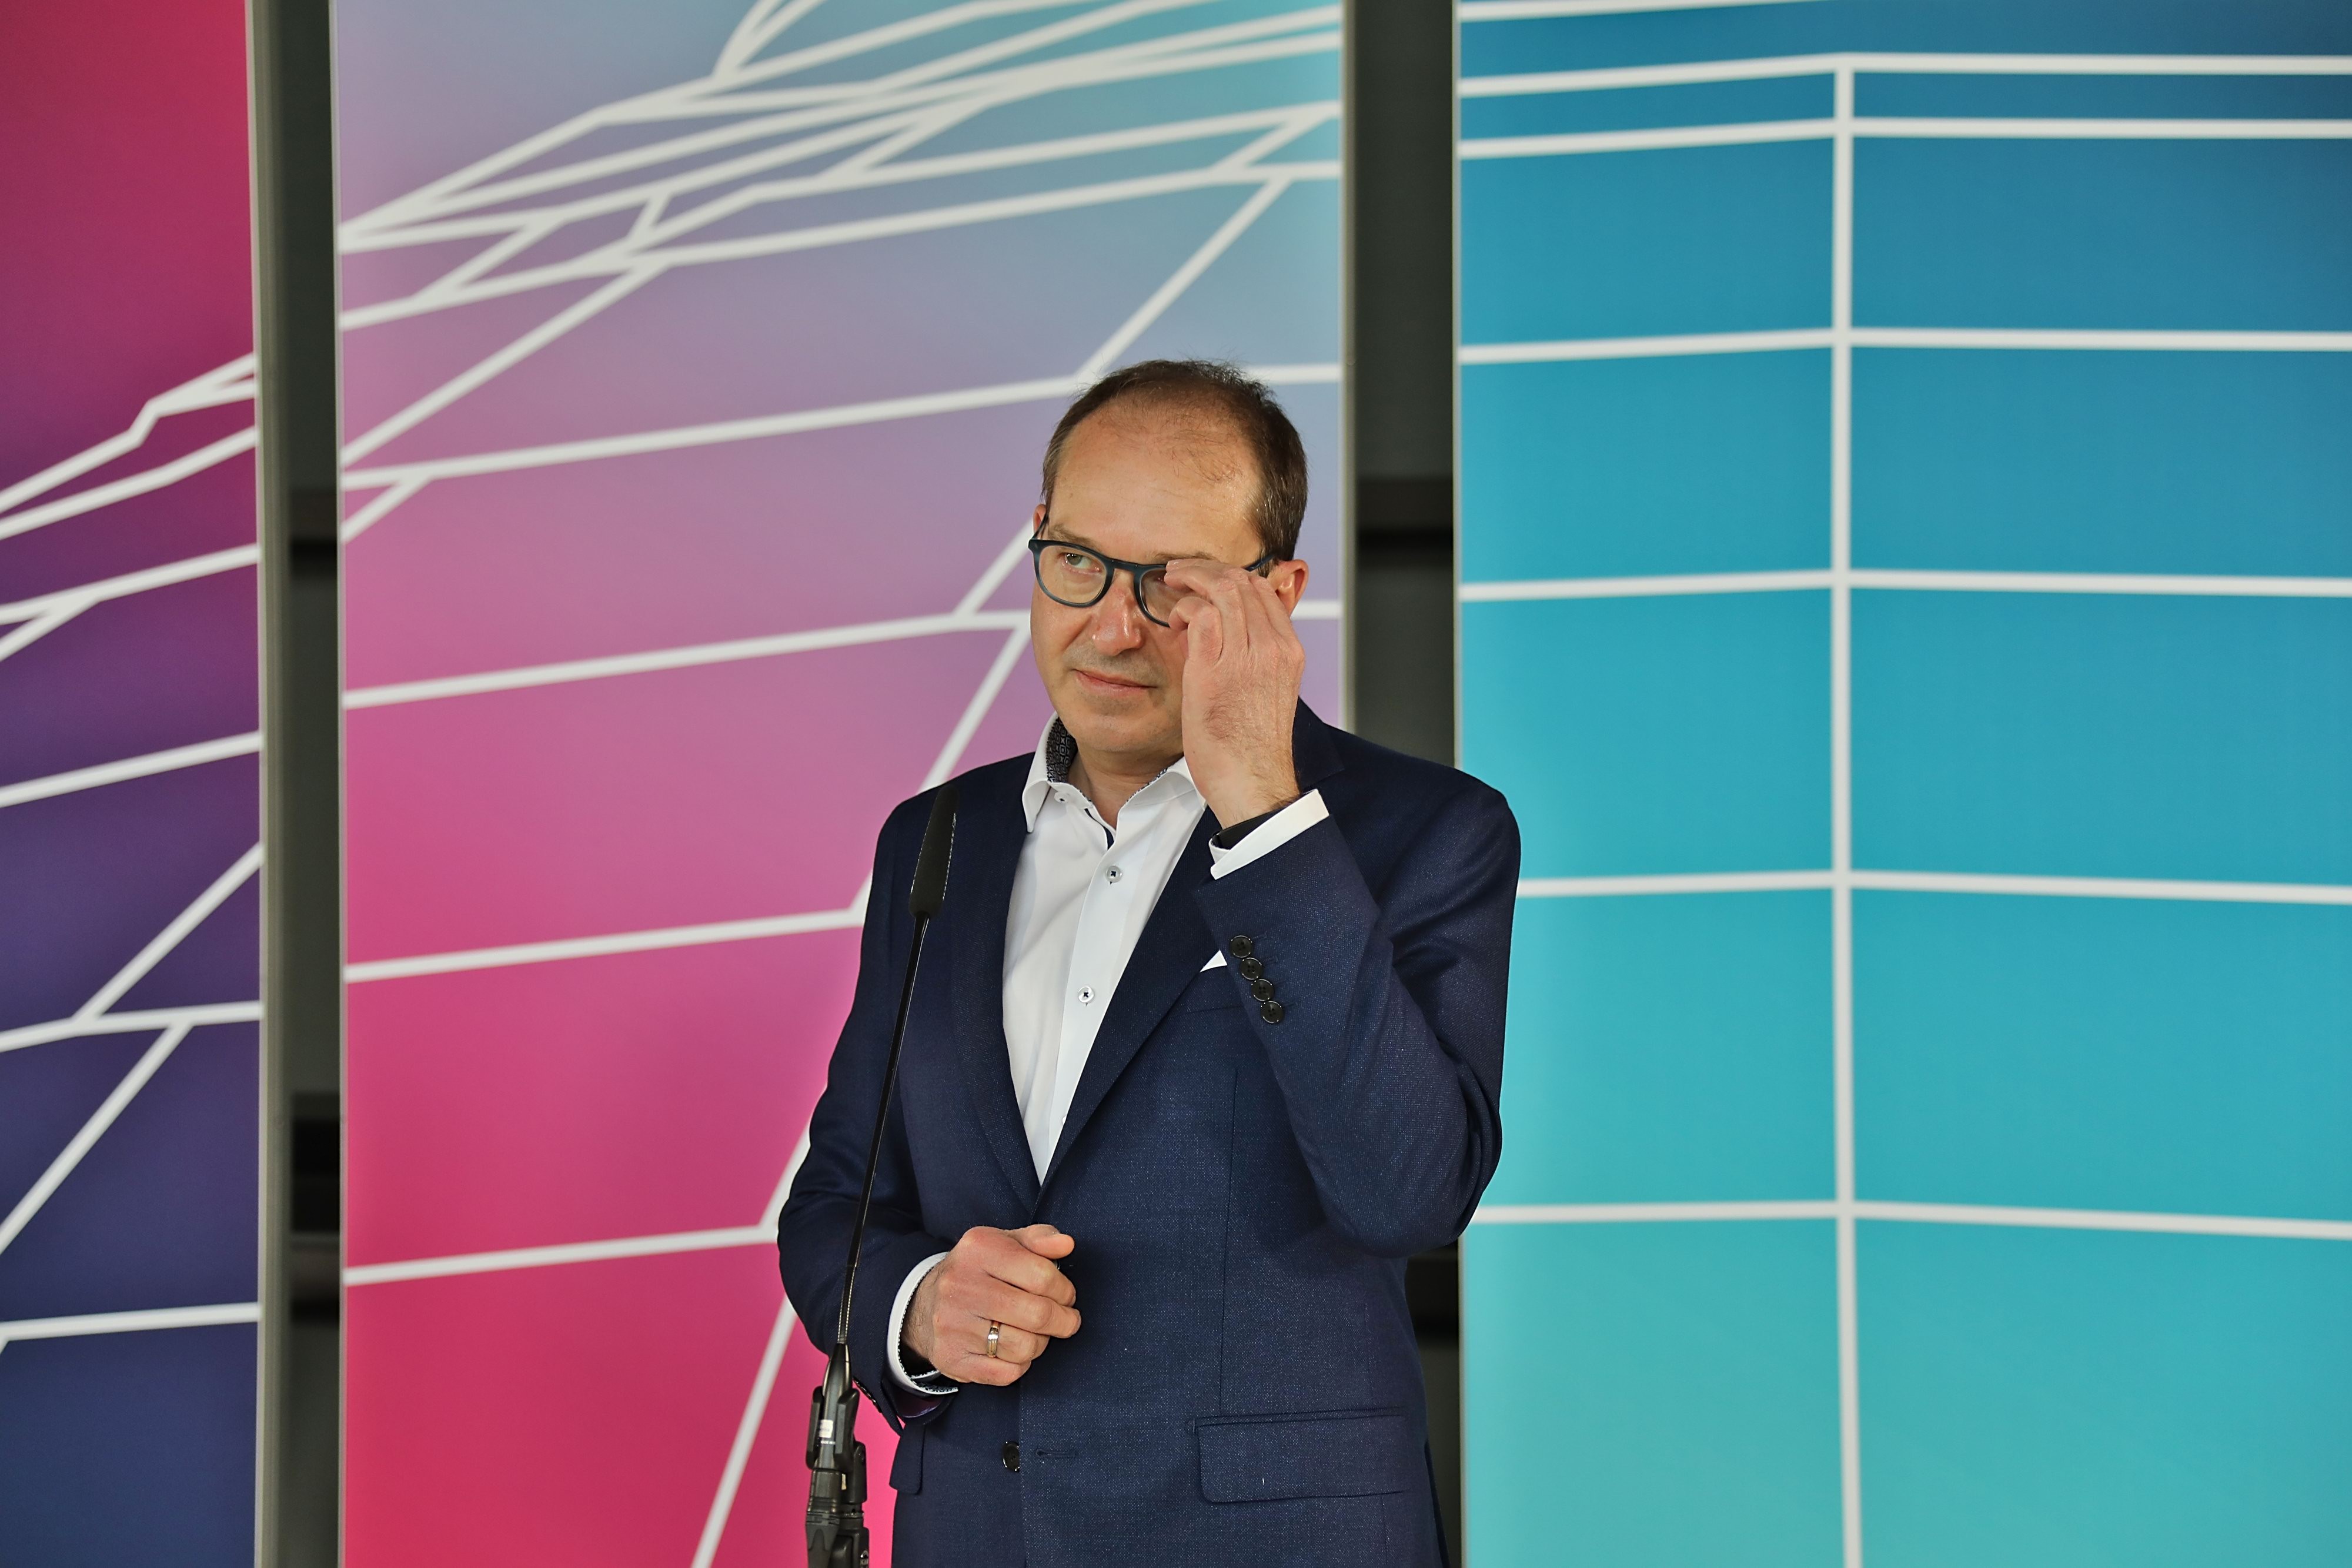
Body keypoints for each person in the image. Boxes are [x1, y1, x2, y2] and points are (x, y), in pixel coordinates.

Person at [778, 359, 1518, 1566]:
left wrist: (1265, 815)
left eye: (1174, 585)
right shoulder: (937, 840)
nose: (1113, 627)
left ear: (1277, 595)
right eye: (1078, 562)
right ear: (1037, 539)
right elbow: (837, 1205)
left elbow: (1408, 1194)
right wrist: (917, 1306)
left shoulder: (1426, 832)